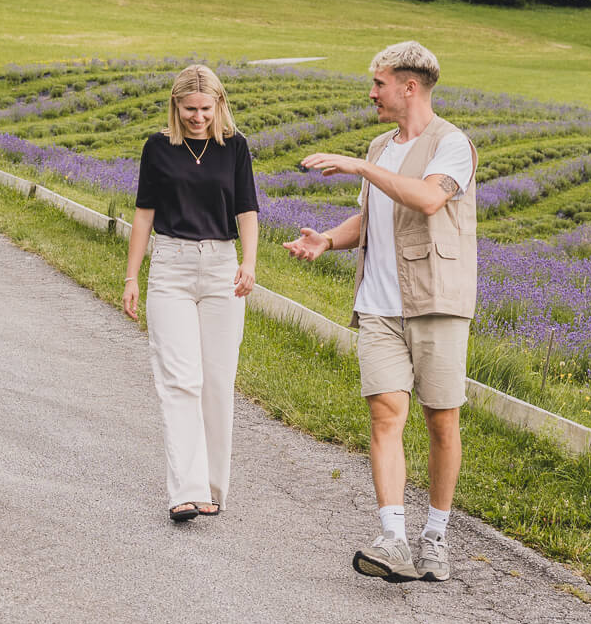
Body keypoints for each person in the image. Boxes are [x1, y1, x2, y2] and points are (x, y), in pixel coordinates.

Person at [286, 41, 476, 583]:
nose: (372, 93)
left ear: (408, 87)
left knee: (441, 419)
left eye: (379, 84)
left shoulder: (452, 145)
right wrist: (326, 239)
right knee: (384, 415)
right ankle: (393, 537)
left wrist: (358, 168)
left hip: (435, 302)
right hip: (378, 305)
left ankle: (435, 536)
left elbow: (427, 199)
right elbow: (372, 218)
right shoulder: (379, 146)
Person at [123, 65, 259, 523]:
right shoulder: (157, 148)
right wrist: (131, 278)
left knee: (217, 383)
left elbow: (247, 211)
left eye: (206, 109)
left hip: (222, 268)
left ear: (218, 105)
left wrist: (249, 263)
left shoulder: (235, 148)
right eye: (189, 109)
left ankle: (214, 489)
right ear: (176, 107)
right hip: (171, 268)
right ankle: (185, 490)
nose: (198, 117)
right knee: (180, 381)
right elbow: (143, 215)